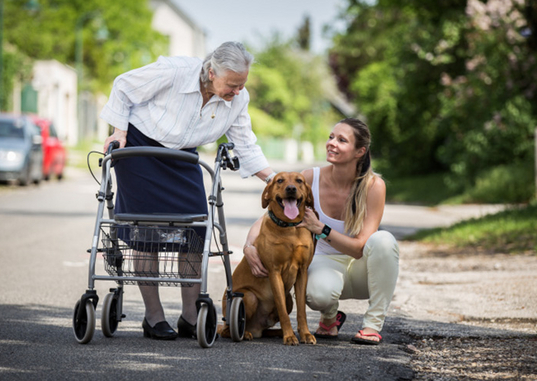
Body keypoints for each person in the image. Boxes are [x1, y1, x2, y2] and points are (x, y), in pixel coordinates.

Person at [100, 42, 275, 340]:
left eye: (242, 84)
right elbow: (123, 85)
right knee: (146, 235)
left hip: (183, 157)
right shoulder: (174, 71)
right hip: (140, 149)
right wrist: (119, 131)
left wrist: (274, 180)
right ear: (210, 72)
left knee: (196, 229)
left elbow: (244, 143)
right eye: (232, 84)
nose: (237, 91)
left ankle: (190, 316)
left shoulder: (237, 98)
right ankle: (153, 317)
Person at [243, 118, 399, 345]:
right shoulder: (309, 178)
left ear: (360, 151)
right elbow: (268, 217)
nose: (332, 143)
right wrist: (249, 246)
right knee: (316, 294)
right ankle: (329, 318)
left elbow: (358, 249)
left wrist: (321, 229)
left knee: (384, 241)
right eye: (331, 137)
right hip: (324, 262)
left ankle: (372, 325)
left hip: (362, 269)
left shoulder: (374, 186)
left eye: (342, 140)